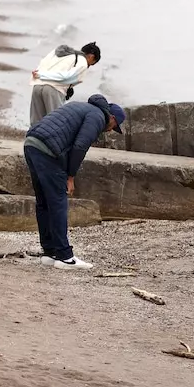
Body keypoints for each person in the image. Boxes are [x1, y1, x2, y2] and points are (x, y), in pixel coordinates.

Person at [24, 94, 125, 270]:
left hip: (31, 143)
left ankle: (50, 252)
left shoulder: (80, 106)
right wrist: (70, 177)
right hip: (48, 150)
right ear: (112, 118)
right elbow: (80, 146)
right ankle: (65, 257)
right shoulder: (97, 117)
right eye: (114, 127)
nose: (110, 131)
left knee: (44, 202)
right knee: (58, 202)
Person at [28, 42, 102, 125]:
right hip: (53, 89)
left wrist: (39, 75)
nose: (89, 66)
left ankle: (31, 137)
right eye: (92, 63)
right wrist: (42, 75)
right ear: (91, 56)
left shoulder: (59, 52)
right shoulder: (82, 61)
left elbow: (43, 62)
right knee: (55, 123)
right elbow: (67, 77)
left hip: (37, 86)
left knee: (35, 122)